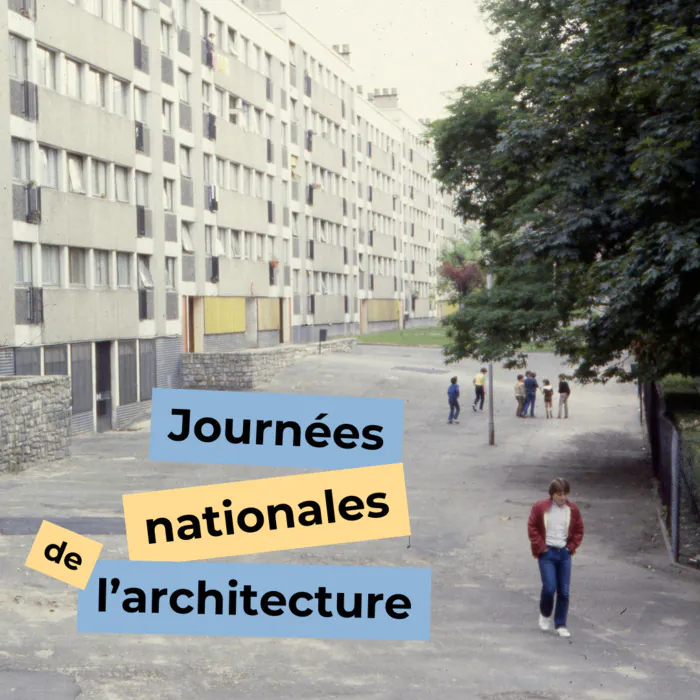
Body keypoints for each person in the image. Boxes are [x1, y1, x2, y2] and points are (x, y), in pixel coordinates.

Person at [527, 478, 584, 638]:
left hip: (564, 553)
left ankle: (561, 624)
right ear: (552, 494)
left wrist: (570, 547)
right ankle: (545, 613)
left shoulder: (572, 509)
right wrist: (542, 548)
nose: (563, 497)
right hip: (547, 553)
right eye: (560, 494)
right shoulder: (541, 508)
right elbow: (532, 527)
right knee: (549, 587)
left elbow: (579, 529)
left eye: (565, 494)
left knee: (564, 591)